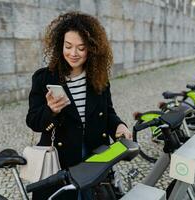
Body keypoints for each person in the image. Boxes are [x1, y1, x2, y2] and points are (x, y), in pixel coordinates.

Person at [26, 12, 132, 200]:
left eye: (81, 48)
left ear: (91, 49)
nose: (73, 53)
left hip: (95, 155)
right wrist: (51, 110)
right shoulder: (44, 78)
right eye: (68, 46)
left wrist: (119, 126)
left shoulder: (99, 78)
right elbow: (33, 121)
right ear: (60, 46)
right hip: (61, 160)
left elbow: (108, 112)